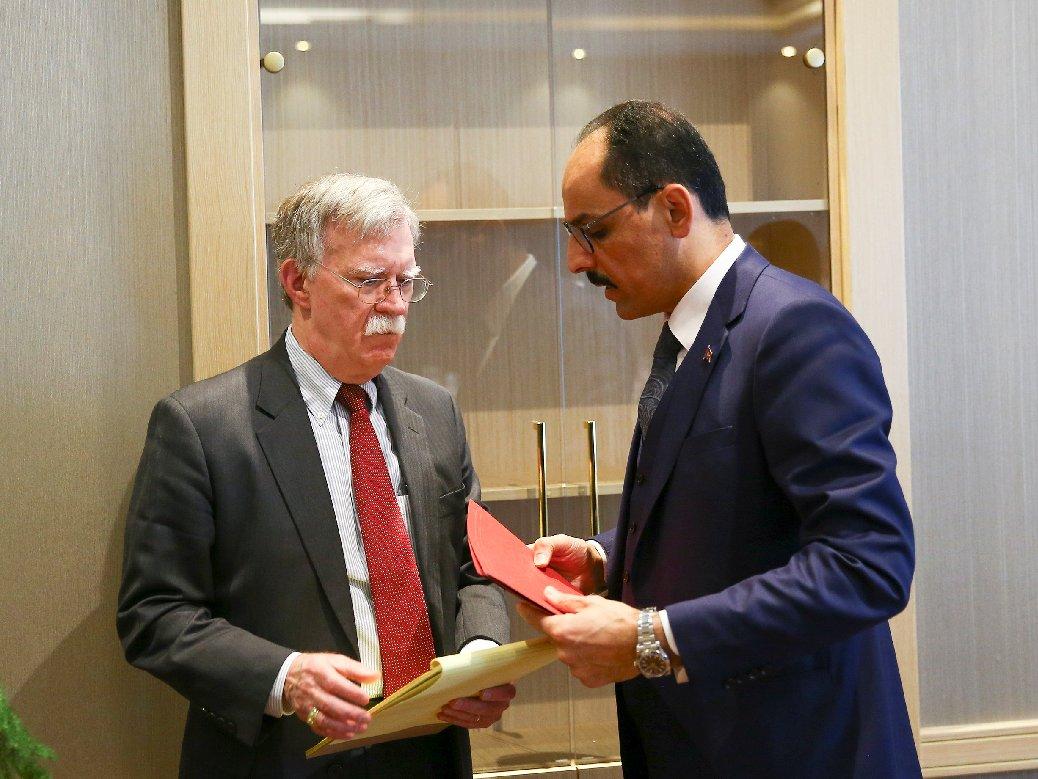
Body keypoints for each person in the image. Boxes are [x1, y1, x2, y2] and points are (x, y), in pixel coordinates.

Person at [519, 101, 920, 777]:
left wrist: (654, 638)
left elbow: (868, 562)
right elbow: (734, 510)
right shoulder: (688, 330)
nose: (575, 261)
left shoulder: (795, 328)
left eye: (593, 231)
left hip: (798, 753)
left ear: (675, 209)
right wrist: (604, 557)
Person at [117, 173, 514, 777]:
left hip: (430, 748)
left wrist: (480, 654)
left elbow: (474, 565)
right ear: (298, 282)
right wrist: (285, 677)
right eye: (369, 281)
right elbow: (155, 613)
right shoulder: (203, 426)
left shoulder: (434, 411)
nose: (394, 304)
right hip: (283, 756)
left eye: (406, 281)